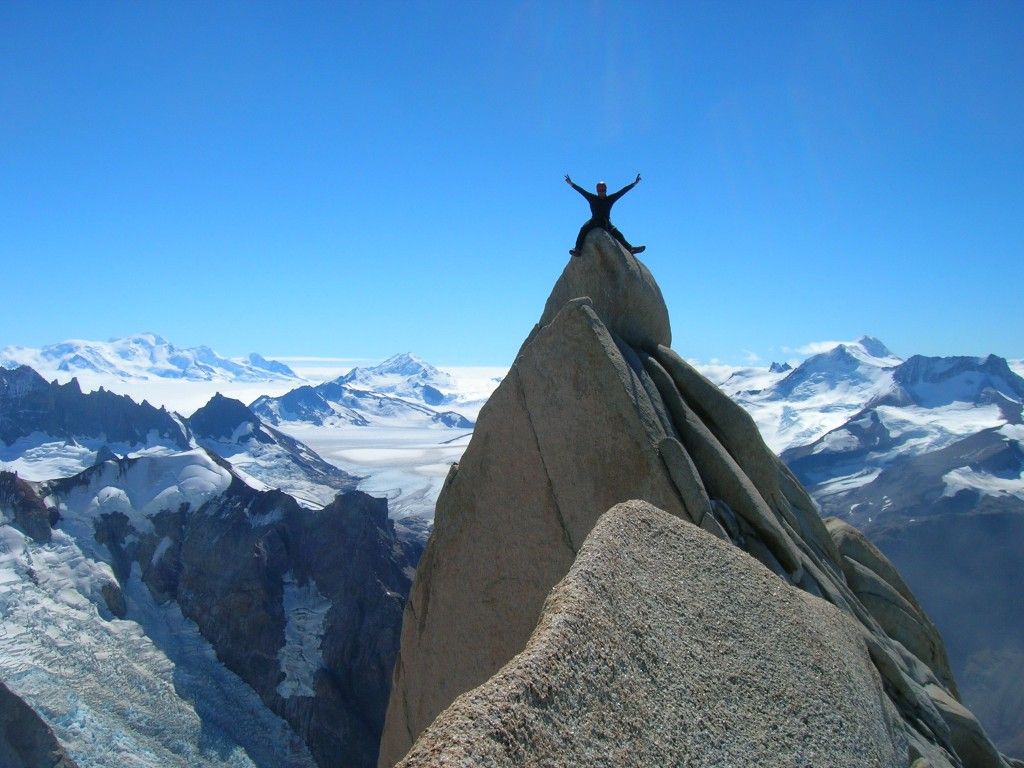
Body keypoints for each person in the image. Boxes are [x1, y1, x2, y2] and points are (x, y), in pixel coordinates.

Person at [565, 173, 646, 257]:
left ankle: (630, 249)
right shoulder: (592, 198)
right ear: (597, 191)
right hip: (594, 222)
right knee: (583, 230)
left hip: (605, 223)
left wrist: (634, 183)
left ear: (605, 190)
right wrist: (571, 183)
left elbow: (622, 191)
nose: (601, 192)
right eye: (600, 191)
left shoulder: (610, 199)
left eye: (602, 190)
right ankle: (577, 250)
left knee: (618, 234)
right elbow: (581, 191)